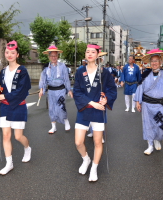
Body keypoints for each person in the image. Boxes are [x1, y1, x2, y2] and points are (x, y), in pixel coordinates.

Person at [73, 44, 117, 182]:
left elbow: (111, 89)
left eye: (93, 52)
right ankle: (86, 159)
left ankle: (94, 167)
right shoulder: (80, 71)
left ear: (98, 54)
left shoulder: (104, 72)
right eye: (87, 52)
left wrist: (106, 100)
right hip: (85, 109)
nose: (90, 54)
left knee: (98, 142)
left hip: (99, 112)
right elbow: (77, 92)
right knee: (78, 142)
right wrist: (93, 103)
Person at [0, 40, 32, 175]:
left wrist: (5, 96)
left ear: (17, 54)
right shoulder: (3, 71)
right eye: (7, 52)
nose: (9, 55)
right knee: (6, 135)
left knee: (18, 136)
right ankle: (9, 163)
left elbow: (23, 90)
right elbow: (2, 90)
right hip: (5, 107)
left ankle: (27, 148)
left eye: (12, 52)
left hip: (18, 106)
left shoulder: (22, 70)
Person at [134, 48, 163, 155]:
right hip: (147, 105)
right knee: (148, 125)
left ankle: (157, 139)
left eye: (156, 61)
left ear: (160, 62)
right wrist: (138, 102)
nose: (154, 63)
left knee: (159, 125)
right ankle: (150, 145)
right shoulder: (146, 74)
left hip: (159, 106)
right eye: (152, 61)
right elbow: (140, 88)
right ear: (150, 62)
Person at [39, 45, 73, 134]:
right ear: (49, 56)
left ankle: (66, 121)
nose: (53, 57)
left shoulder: (62, 66)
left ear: (58, 56)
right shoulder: (46, 67)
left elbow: (66, 78)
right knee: (51, 108)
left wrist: (69, 90)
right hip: (51, 91)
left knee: (61, 107)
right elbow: (43, 79)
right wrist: (41, 89)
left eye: (55, 55)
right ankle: (53, 127)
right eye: (52, 56)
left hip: (61, 90)